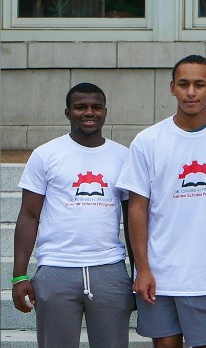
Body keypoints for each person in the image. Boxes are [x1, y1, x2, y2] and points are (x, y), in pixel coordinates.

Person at [119, 55, 206, 348]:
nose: (191, 92)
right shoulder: (148, 141)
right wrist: (143, 268)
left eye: (199, 85)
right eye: (184, 84)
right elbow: (137, 209)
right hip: (159, 273)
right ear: (172, 88)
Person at [11, 83, 134, 348]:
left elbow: (133, 220)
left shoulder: (123, 156)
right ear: (68, 112)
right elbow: (29, 217)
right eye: (80, 107)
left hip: (109, 270)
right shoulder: (45, 155)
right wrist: (19, 276)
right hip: (56, 269)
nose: (89, 113)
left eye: (96, 107)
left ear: (105, 112)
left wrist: (137, 274)